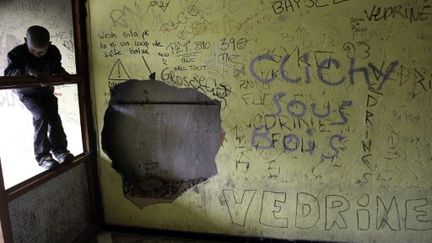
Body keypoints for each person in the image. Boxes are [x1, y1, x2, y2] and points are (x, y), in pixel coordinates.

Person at [4, 25, 74, 170]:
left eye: (42, 51)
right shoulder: (16, 54)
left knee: (54, 119)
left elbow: (56, 67)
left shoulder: (53, 52)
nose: (37, 54)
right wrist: (30, 71)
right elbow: (9, 74)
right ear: (25, 41)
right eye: (33, 50)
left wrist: (62, 72)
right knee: (41, 117)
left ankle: (60, 151)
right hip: (27, 94)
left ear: (49, 45)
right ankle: (43, 157)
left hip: (46, 92)